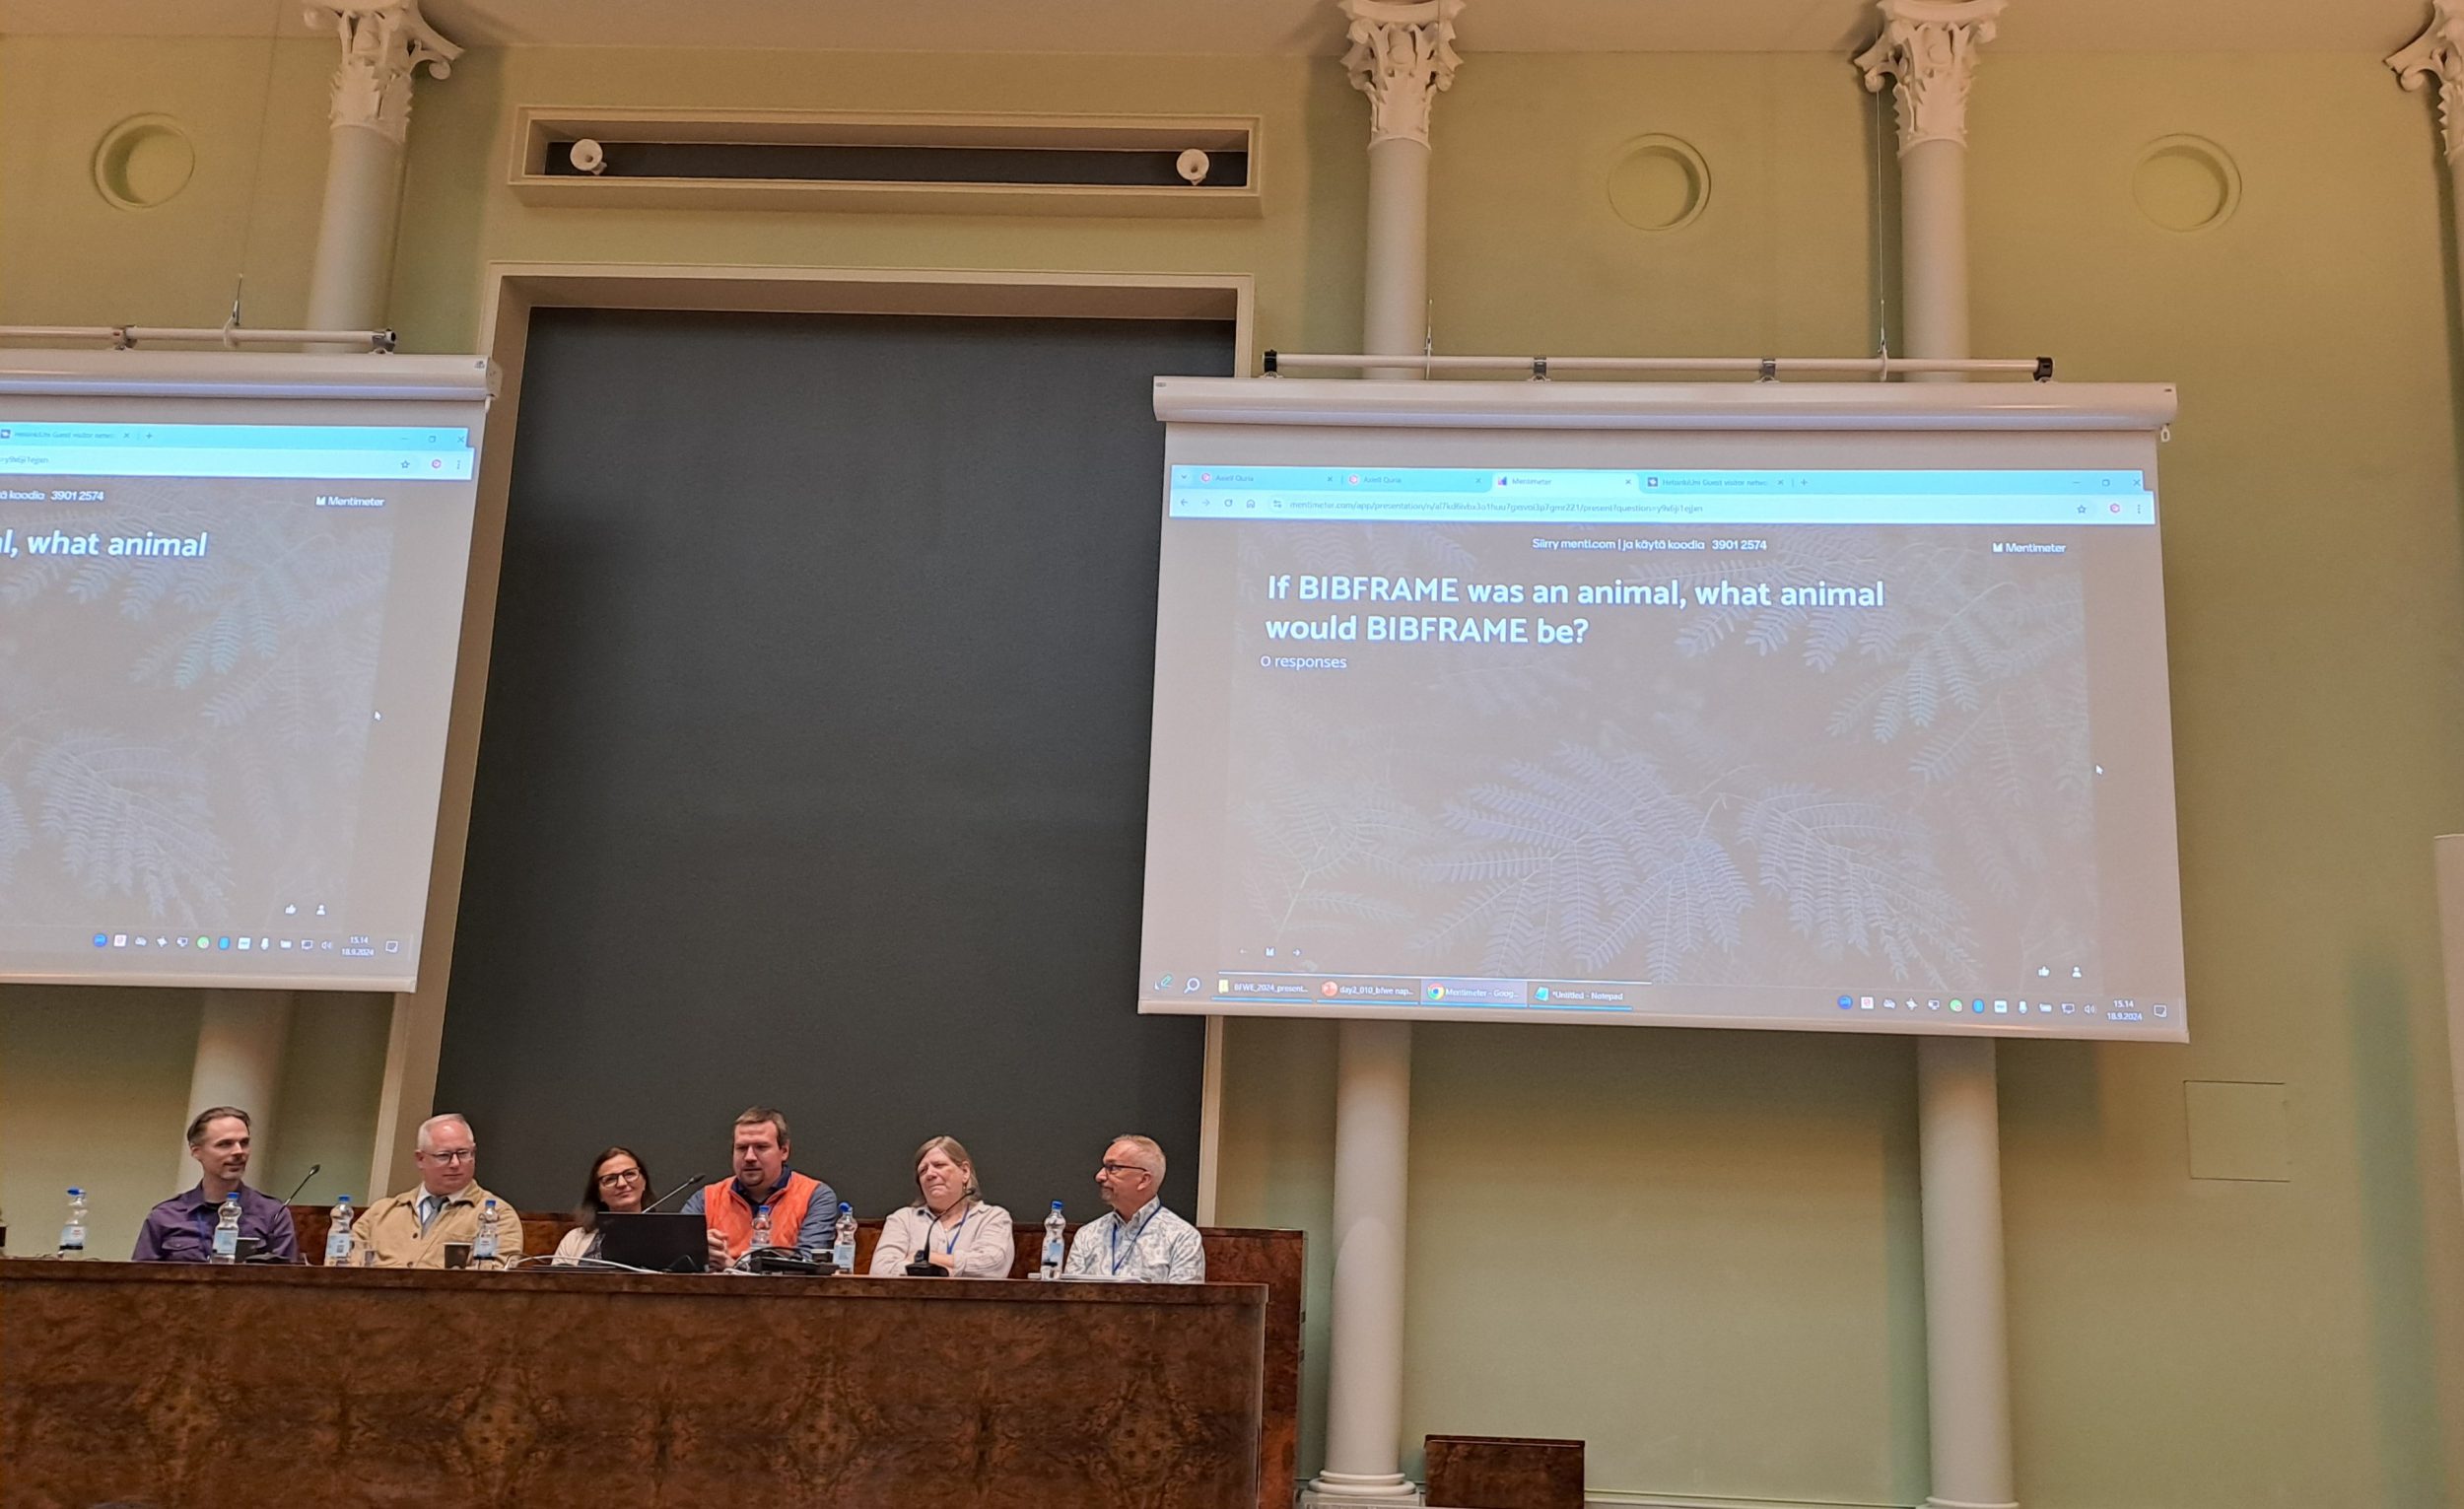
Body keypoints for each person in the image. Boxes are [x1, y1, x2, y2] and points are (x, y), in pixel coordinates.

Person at [132, 1106, 300, 1263]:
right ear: (196, 1151)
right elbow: (137, 1283)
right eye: (225, 1144)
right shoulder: (165, 1216)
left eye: (244, 1143)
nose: (238, 1152)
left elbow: (288, 1284)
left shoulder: (273, 1214)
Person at [355, 1114, 524, 1269]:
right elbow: (341, 1269)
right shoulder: (380, 1214)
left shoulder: (499, 1215)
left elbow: (496, 1281)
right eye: (444, 1156)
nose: (456, 1163)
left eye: (464, 1154)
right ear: (420, 1159)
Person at [681, 1106, 837, 1269]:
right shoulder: (706, 1197)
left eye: (761, 1147)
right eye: (741, 1148)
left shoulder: (815, 1196)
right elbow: (675, 1255)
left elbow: (808, 1265)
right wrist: (697, 1249)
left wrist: (733, 1268)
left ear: (784, 1151)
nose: (749, 1157)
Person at [868, 1135, 1015, 1277]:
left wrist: (922, 1258)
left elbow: (992, 1266)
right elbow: (880, 1270)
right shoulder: (903, 1219)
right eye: (923, 1170)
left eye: (939, 1165)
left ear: (964, 1172)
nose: (930, 1174)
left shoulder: (993, 1217)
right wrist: (946, 1270)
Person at [1063, 1133, 1203, 1282]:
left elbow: (1183, 1304)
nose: (1100, 1176)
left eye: (1113, 1168)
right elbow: (1069, 1300)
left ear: (1143, 1180)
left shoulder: (1183, 1238)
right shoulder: (1087, 1235)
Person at [552, 1146, 651, 1266]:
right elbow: (554, 1283)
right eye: (610, 1179)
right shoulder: (574, 1240)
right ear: (599, 1194)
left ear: (644, 1182)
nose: (622, 1183)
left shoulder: (666, 1237)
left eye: (629, 1174)